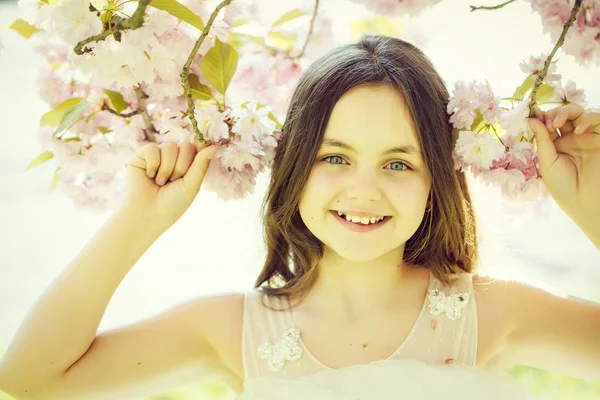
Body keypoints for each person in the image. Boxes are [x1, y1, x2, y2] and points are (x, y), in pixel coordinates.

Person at [0, 35, 599, 400]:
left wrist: (590, 203)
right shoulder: (234, 330)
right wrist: (137, 222)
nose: (364, 191)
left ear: (437, 182)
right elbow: (31, 379)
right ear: (293, 170)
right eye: (334, 157)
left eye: (398, 164)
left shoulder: (491, 313)